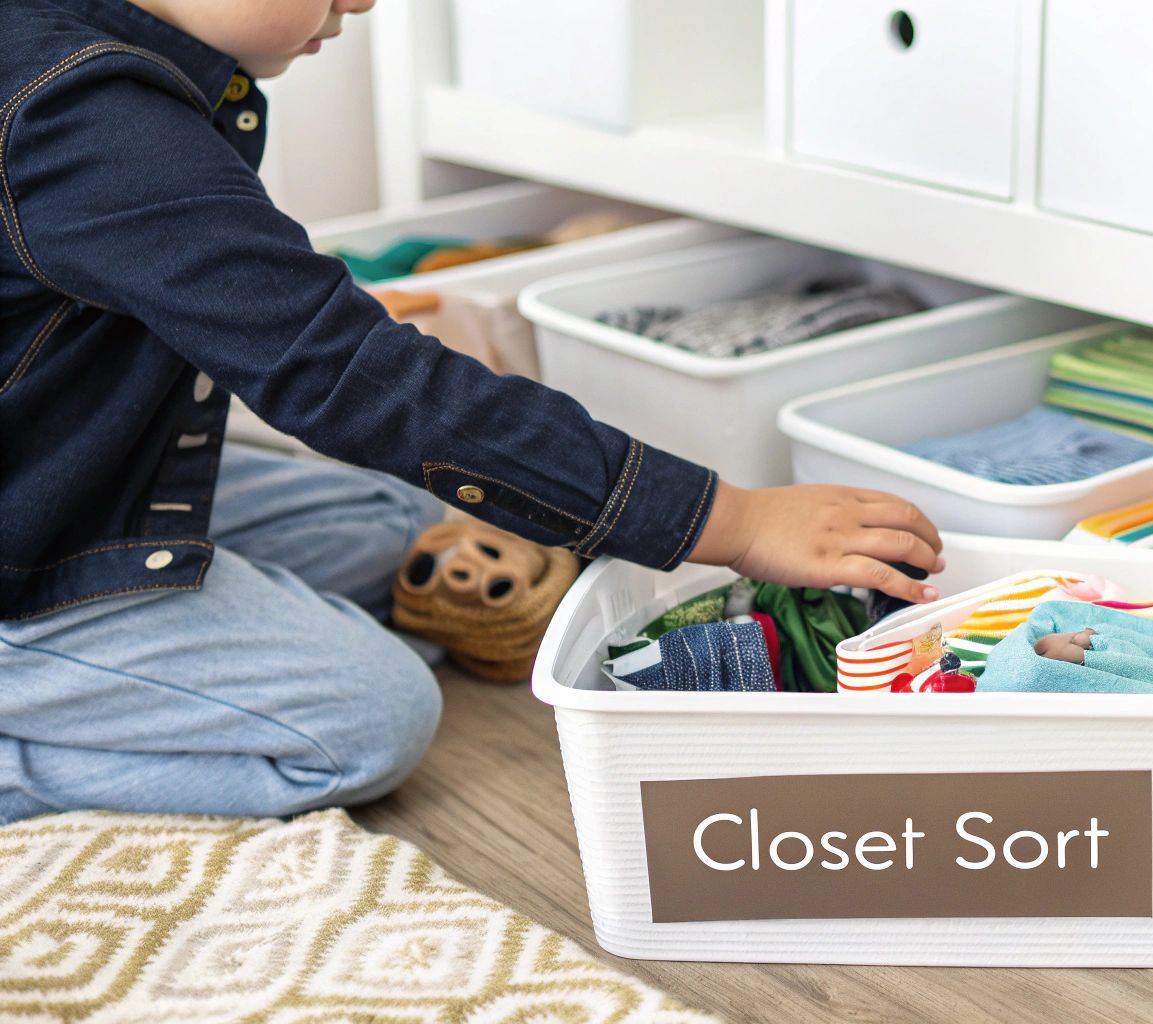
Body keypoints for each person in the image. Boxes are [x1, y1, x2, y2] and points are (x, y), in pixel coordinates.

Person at [0, 0, 945, 824]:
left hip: (56, 468)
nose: (365, 2)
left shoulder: (89, 68)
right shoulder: (81, 122)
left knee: (397, 528)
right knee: (370, 720)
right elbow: (355, 381)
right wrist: (723, 520)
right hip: (24, 544)